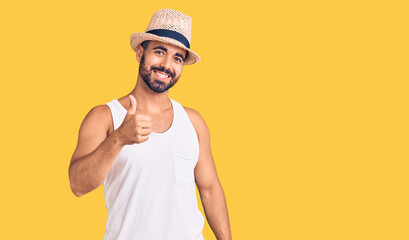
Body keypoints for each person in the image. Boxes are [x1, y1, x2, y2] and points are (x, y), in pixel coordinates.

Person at [68, 8, 232, 240]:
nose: (166, 65)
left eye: (177, 58)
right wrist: (118, 138)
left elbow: (210, 188)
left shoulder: (193, 122)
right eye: (159, 52)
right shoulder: (104, 116)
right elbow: (78, 185)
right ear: (139, 53)